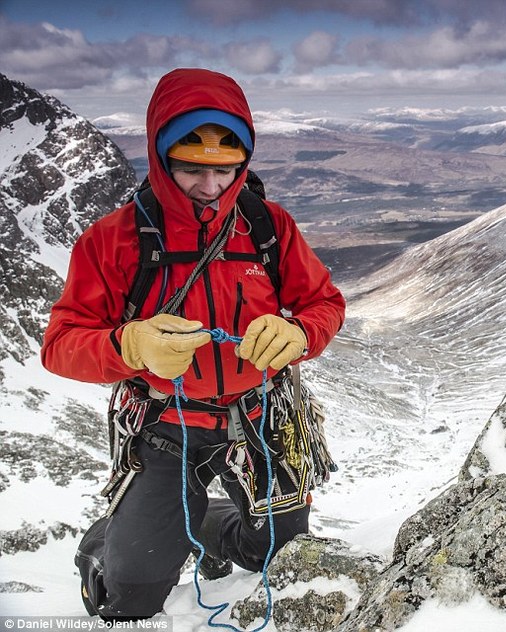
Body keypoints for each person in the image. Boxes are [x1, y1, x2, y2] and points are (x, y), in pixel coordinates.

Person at [41, 68, 346, 620]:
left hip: (260, 415)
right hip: (164, 425)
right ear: (160, 160)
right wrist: (131, 346)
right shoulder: (114, 241)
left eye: (227, 171)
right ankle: (106, 543)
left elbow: (325, 303)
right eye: (191, 170)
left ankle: (200, 520)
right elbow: (60, 343)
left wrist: (299, 332)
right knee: (126, 599)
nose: (211, 188)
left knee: (275, 551)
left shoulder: (268, 227)